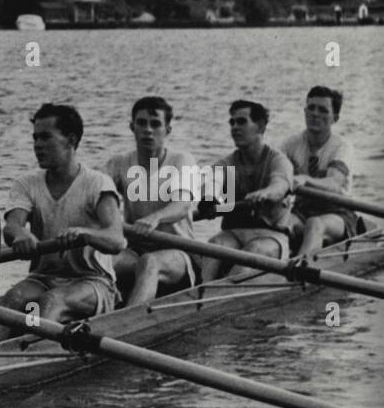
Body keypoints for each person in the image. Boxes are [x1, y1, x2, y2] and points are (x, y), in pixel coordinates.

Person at [0, 103, 125, 336]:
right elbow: (12, 226)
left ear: (71, 140)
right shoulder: (26, 183)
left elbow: (116, 240)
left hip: (93, 284)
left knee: (51, 302)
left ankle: (31, 359)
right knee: (12, 300)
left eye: (45, 138)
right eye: (35, 138)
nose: (37, 146)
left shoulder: (98, 183)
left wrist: (84, 234)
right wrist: (20, 234)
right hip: (42, 279)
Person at [103, 96, 200, 307]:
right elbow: (94, 198)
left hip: (179, 253)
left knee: (150, 262)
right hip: (135, 248)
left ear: (168, 130)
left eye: (155, 124)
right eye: (141, 123)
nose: (148, 130)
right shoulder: (118, 163)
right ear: (132, 127)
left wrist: (155, 218)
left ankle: (127, 322)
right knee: (100, 259)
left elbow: (182, 205)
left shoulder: (183, 160)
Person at [199, 100, 295, 282]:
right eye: (232, 122)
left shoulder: (278, 160)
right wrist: (209, 197)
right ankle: (201, 293)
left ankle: (214, 298)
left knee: (254, 251)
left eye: (241, 122)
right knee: (214, 246)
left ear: (260, 126)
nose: (234, 127)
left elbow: (279, 186)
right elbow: (213, 179)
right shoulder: (226, 163)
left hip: (271, 235)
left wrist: (265, 194)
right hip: (233, 233)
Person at [280, 86, 360, 259]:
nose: (315, 114)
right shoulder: (290, 144)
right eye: (311, 108)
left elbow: (334, 183)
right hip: (302, 210)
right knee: (281, 223)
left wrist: (305, 179)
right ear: (304, 111)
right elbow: (275, 175)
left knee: (315, 224)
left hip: (338, 212)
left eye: (323, 110)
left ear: (335, 118)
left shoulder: (341, 146)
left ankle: (300, 275)